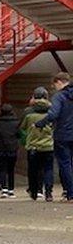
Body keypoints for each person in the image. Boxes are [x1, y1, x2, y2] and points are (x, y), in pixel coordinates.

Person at [35, 72, 73, 200]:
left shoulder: (59, 96)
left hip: (63, 135)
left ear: (59, 82)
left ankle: (70, 192)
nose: (54, 87)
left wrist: (40, 124)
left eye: (54, 85)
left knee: (65, 164)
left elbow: (53, 114)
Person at [20, 87, 54, 200]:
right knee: (48, 169)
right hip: (48, 144)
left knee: (33, 169)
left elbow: (22, 127)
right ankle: (48, 192)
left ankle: (34, 191)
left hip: (33, 145)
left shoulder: (28, 111)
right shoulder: (52, 109)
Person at [0, 103, 20, 198]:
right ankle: (11, 190)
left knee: (2, 169)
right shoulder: (16, 122)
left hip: (1, 148)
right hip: (12, 148)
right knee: (11, 170)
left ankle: (4, 189)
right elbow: (19, 134)